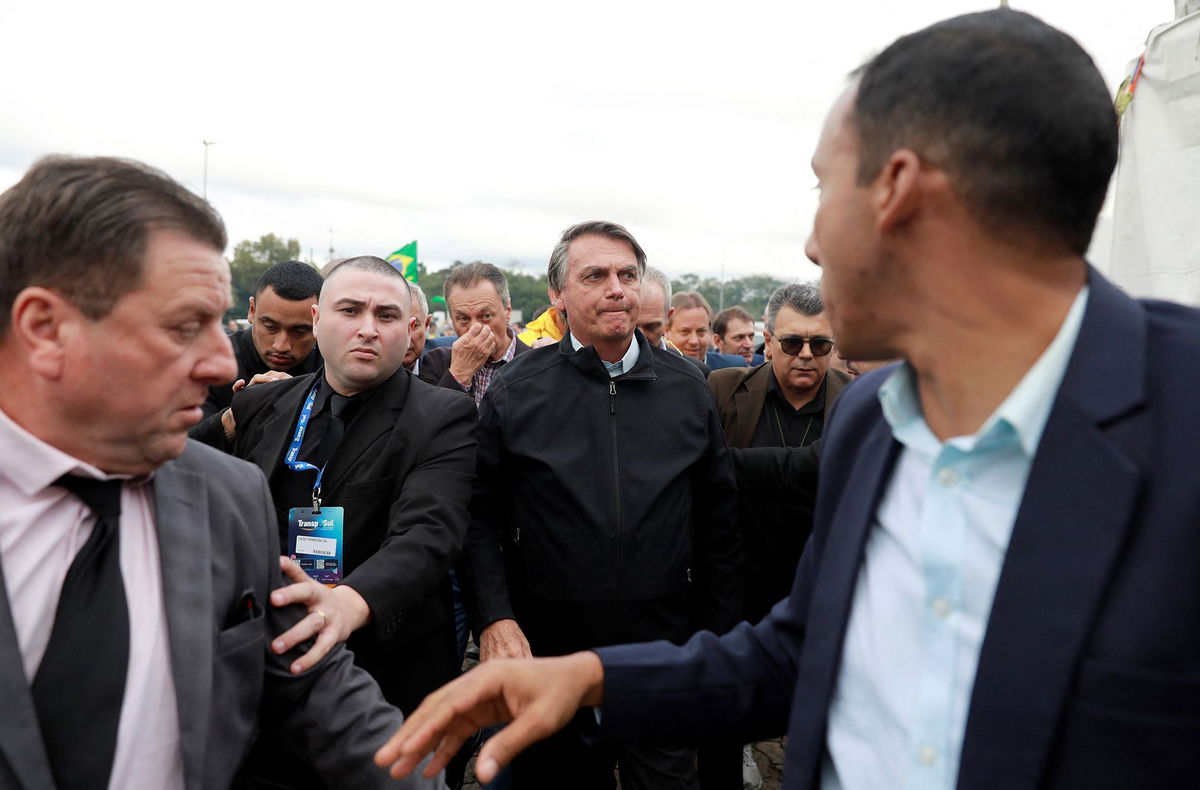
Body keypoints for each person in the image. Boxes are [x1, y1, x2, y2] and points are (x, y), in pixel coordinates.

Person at [377, 10, 1200, 790]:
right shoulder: (873, 424)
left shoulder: (1182, 414)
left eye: (820, 187)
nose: (810, 242)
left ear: (899, 192)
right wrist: (590, 678)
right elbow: (803, 655)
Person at [0, 155, 440, 789]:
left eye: (218, 322)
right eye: (185, 327)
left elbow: (317, 692)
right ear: (45, 329)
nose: (216, 363)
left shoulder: (228, 498)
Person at [461, 220, 741, 789]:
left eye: (627, 275)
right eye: (596, 276)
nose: (617, 288)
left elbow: (719, 524)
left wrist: (718, 639)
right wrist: (494, 616)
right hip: (552, 652)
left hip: (662, 651)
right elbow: (476, 516)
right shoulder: (517, 392)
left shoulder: (688, 389)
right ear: (558, 297)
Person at [201, 255, 477, 787]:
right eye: (350, 310)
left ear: (412, 328)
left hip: (381, 671)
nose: (368, 329)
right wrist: (232, 417)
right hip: (267, 660)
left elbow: (428, 533)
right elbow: (183, 470)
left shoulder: (441, 416)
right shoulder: (266, 402)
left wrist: (344, 606)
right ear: (319, 316)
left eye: (387, 315)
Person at [709, 283, 849, 451]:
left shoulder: (856, 396)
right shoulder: (725, 389)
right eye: (792, 343)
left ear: (834, 344)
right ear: (769, 341)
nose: (806, 354)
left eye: (819, 344)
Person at [200, 259, 324, 419]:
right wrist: (234, 419)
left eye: (298, 332)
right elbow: (182, 440)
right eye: (271, 327)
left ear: (319, 321)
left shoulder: (333, 371)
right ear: (252, 310)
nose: (281, 346)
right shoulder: (208, 362)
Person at [419, 262, 531, 401]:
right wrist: (459, 374)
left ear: (507, 311)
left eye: (486, 316)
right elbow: (430, 420)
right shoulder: (437, 362)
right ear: (452, 320)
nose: (475, 328)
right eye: (463, 319)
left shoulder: (537, 364)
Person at [404, 281, 433, 375]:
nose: (406, 338)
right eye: (399, 326)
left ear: (427, 323)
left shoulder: (445, 362)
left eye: (414, 326)